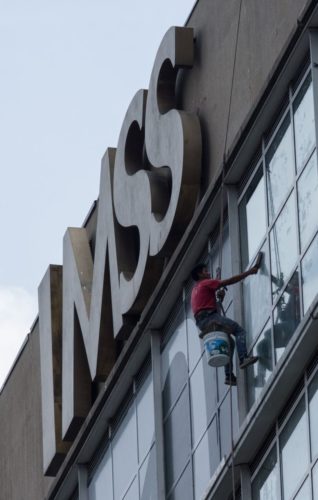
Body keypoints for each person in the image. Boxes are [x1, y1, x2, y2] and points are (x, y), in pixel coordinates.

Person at [191, 262, 260, 386]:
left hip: (203, 322)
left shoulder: (195, 290)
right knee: (239, 330)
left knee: (229, 343)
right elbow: (229, 281)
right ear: (200, 274)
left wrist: (218, 298)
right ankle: (243, 358)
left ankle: (229, 376)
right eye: (206, 271)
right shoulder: (206, 283)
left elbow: (207, 306)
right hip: (210, 318)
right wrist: (249, 272)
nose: (208, 273)